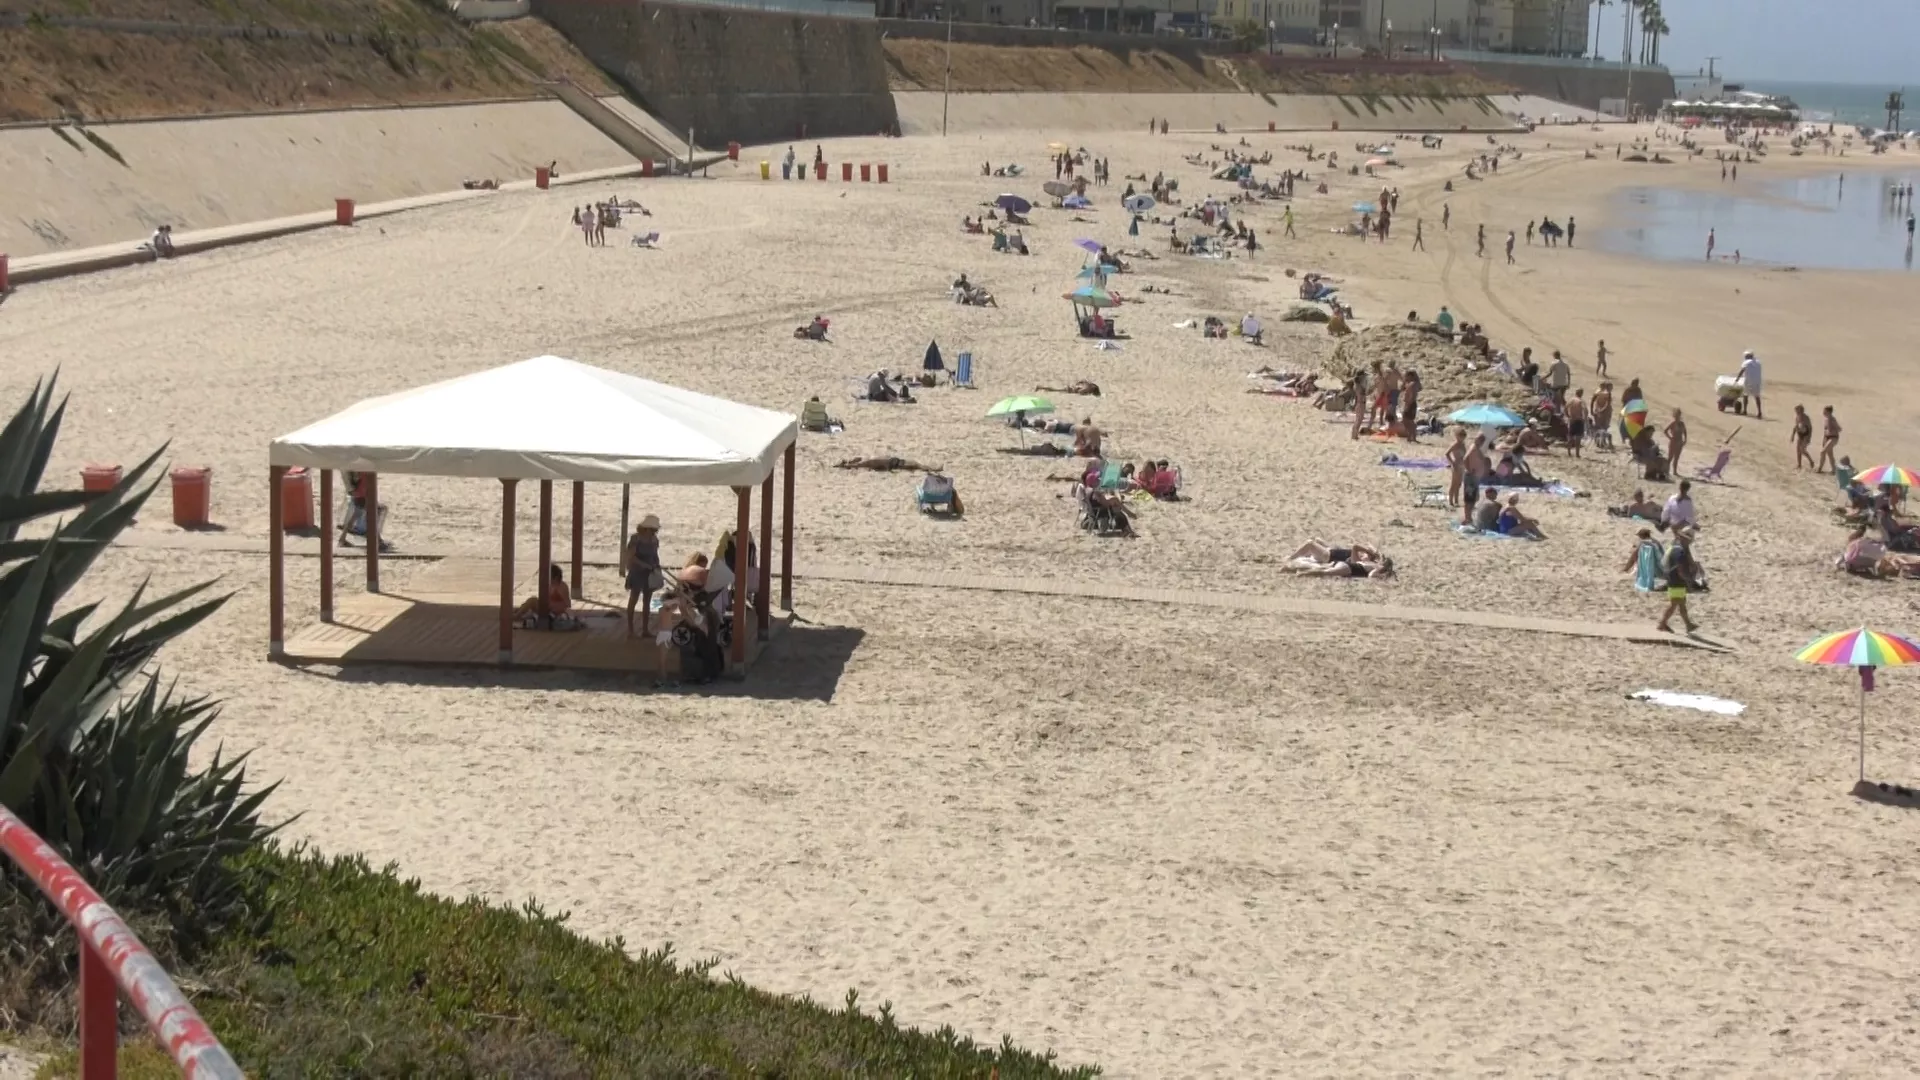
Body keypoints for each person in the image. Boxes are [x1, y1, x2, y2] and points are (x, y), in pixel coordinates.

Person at [624, 514, 663, 638]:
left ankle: (645, 630)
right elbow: (631, 557)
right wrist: (645, 565)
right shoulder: (636, 539)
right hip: (637, 572)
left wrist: (657, 565)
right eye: (652, 530)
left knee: (647, 601)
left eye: (655, 530)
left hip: (650, 572)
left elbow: (655, 555)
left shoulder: (654, 540)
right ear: (645, 528)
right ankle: (630, 630)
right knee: (633, 599)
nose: (654, 532)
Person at [1658, 532, 1700, 634]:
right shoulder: (1680, 552)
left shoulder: (1674, 549)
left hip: (1673, 579)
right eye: (1687, 540)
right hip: (1677, 580)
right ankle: (1662, 623)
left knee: (1681, 603)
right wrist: (1688, 580)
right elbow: (1680, 569)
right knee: (1674, 604)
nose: (1688, 542)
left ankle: (1688, 625)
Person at [1735, 349, 1764, 419]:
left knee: (1745, 395)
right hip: (1757, 381)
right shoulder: (1758, 362)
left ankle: (1745, 410)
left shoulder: (1746, 362)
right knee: (1757, 396)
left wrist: (1737, 378)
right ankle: (1759, 412)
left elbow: (1742, 371)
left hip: (1748, 381)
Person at [1444, 426, 1468, 507]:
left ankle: (1456, 500)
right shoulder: (1455, 444)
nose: (1462, 437)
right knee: (1454, 484)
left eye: (1463, 436)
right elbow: (1447, 453)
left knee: (1459, 484)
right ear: (1457, 435)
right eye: (1461, 435)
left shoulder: (1463, 444)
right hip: (1456, 464)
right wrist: (1451, 463)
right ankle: (1451, 501)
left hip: (1462, 465)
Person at [1664, 408, 1688, 474]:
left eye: (1679, 415)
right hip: (1674, 442)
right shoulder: (1673, 423)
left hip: (1679, 442)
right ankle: (1666, 470)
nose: (1678, 416)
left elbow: (1685, 432)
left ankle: (1674, 471)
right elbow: (1665, 431)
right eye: (1677, 415)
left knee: (1676, 458)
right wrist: (1670, 438)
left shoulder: (1682, 423)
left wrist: (1685, 439)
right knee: (1670, 457)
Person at [1818, 405, 1841, 472]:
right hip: (1827, 438)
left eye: (1824, 411)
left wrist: (1833, 429)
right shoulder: (1826, 419)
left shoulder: (1832, 419)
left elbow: (1839, 429)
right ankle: (1834, 470)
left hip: (1833, 438)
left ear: (1828, 411)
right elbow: (1825, 431)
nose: (1823, 412)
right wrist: (1824, 439)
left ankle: (1819, 469)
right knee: (1830, 454)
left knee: (1823, 452)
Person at [1791, 405, 1815, 470]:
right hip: (1800, 434)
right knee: (1798, 450)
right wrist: (1792, 436)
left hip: (1806, 435)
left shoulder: (1806, 418)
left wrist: (1809, 437)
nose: (1796, 412)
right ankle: (1799, 465)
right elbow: (1795, 427)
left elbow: (1810, 428)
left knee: (1802, 450)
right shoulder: (1797, 417)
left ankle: (1811, 461)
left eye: (1797, 410)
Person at [1565, 389, 1587, 457]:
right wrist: (1585, 418)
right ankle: (1577, 454)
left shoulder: (1571, 400)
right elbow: (1585, 410)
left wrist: (1568, 416)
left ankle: (1569, 452)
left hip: (1572, 420)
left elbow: (1565, 408)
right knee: (1578, 438)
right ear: (1581, 393)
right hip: (1579, 420)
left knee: (1570, 437)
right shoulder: (1581, 401)